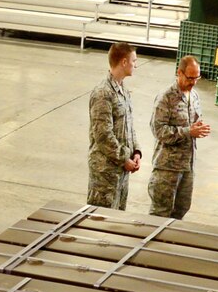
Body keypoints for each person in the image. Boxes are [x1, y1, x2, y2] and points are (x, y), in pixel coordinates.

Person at [148, 54, 211, 220]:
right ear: (179, 73)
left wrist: (198, 129)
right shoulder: (166, 98)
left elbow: (194, 122)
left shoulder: (194, 96)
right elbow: (158, 130)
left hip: (187, 166)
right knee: (160, 213)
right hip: (167, 168)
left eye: (197, 78)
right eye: (190, 78)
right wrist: (188, 132)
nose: (193, 82)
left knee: (181, 210)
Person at [87, 41, 141, 209]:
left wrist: (136, 152)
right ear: (124, 62)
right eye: (134, 61)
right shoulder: (103, 93)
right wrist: (124, 158)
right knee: (99, 222)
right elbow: (103, 135)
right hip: (106, 173)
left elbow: (129, 126)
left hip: (121, 171)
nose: (135, 65)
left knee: (116, 223)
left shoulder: (123, 90)